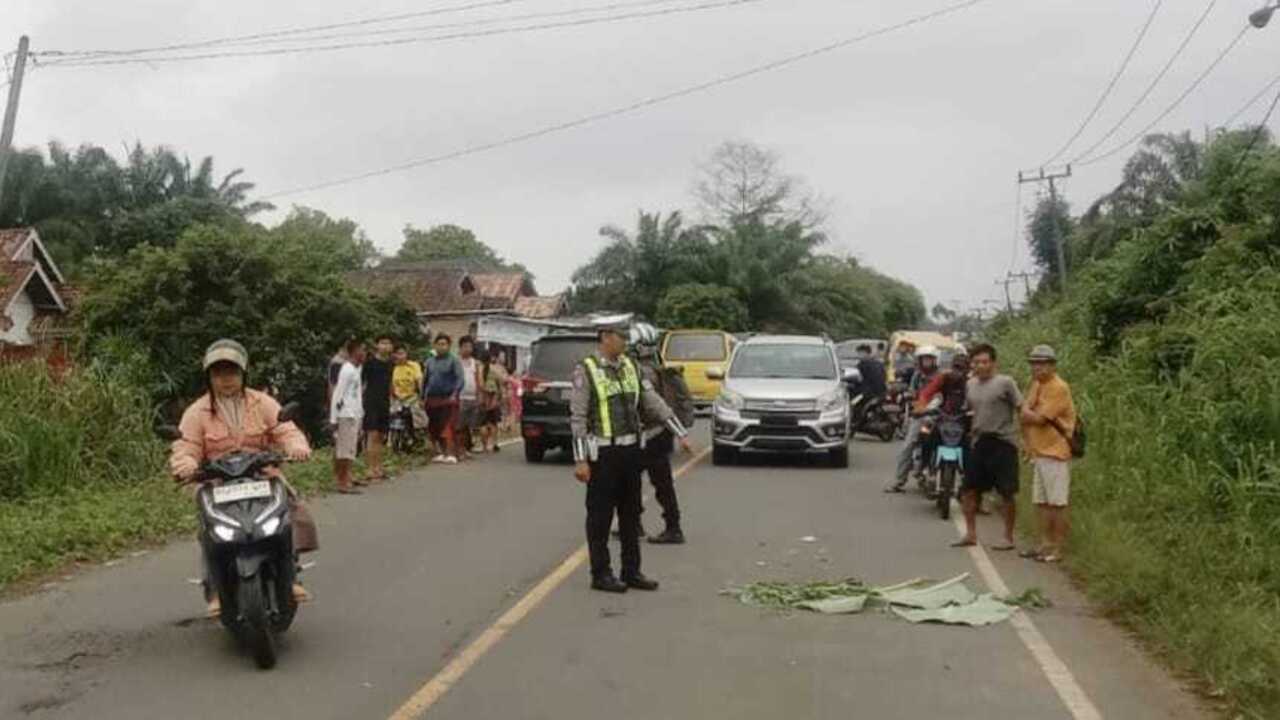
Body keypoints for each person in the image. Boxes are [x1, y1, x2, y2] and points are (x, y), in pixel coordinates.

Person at [170, 339, 316, 617]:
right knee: (210, 530)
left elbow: (285, 429)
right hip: (217, 482)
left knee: (290, 513)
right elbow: (185, 446)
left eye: (232, 372)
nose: (226, 380)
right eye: (218, 373)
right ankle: (214, 589)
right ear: (209, 377)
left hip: (261, 474)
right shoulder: (196, 412)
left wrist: (296, 447)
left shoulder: (262, 402)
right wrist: (186, 464)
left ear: (243, 374)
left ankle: (291, 575)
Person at [570, 326, 690, 593]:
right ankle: (601, 573)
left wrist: (680, 432)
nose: (625, 343)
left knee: (630, 512)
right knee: (600, 516)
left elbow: (653, 402)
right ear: (605, 338)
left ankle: (631, 570)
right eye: (621, 337)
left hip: (631, 451)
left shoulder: (631, 367)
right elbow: (578, 416)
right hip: (602, 453)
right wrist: (580, 460)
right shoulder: (586, 370)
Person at [952, 343, 1023, 551]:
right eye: (976, 362)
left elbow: (1021, 408)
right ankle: (971, 534)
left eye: (984, 362)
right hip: (979, 442)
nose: (980, 366)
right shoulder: (971, 384)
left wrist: (1026, 437)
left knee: (1006, 493)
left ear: (993, 363)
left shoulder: (1005, 383)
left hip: (1003, 443)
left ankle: (1008, 537)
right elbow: (971, 410)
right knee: (968, 490)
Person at [630, 324, 696, 544]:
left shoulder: (641, 371)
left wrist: (679, 432)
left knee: (647, 482)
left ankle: (671, 527)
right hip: (658, 433)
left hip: (652, 433)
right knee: (655, 482)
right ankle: (640, 523)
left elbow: (654, 406)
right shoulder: (657, 367)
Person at [1019, 345, 1076, 563]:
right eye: (1034, 363)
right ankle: (1044, 544)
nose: (1037, 368)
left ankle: (1057, 548)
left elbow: (1038, 418)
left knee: (1057, 503)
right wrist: (1027, 413)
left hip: (1056, 451)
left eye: (1042, 363)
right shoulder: (1037, 385)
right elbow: (1025, 412)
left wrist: (1027, 412)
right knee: (1041, 502)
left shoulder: (1058, 387)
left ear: (1052, 365)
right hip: (1039, 450)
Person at [886, 345, 942, 492]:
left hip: (939, 416)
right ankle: (899, 481)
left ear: (935, 360)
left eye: (929, 359)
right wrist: (908, 397)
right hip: (921, 415)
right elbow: (912, 392)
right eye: (924, 359)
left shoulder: (942, 377)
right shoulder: (917, 376)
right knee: (908, 444)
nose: (927, 362)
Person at [330, 338, 367, 494]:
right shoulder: (346, 369)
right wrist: (333, 417)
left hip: (354, 413)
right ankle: (342, 482)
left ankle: (348, 476)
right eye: (362, 350)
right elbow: (338, 393)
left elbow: (356, 395)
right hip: (345, 414)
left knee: (351, 449)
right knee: (344, 450)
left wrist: (360, 412)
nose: (364, 353)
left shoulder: (356, 369)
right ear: (354, 351)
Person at [423, 333, 465, 464]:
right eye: (439, 344)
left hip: (448, 397)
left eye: (444, 344)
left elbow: (460, 379)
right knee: (435, 426)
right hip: (432, 398)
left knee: (448, 426)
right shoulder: (430, 362)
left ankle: (451, 453)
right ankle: (441, 452)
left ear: (449, 346)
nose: (441, 347)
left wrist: (455, 393)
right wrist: (422, 396)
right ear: (434, 346)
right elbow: (425, 380)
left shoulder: (454, 360)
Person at [361, 336, 395, 482]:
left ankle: (378, 467)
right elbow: (362, 383)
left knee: (381, 436)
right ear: (377, 345)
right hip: (371, 402)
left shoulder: (390, 364)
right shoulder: (369, 363)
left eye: (388, 343)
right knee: (372, 435)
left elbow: (390, 384)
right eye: (382, 343)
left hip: (384, 402)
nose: (386, 346)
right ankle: (370, 468)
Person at [391, 344, 428, 443]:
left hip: (412, 397)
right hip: (398, 399)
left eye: (402, 353)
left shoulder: (413, 366)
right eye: (397, 354)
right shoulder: (393, 368)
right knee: (394, 420)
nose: (400, 356)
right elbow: (391, 385)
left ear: (406, 354)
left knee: (420, 420)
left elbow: (419, 381)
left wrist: (422, 397)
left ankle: (420, 439)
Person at [455, 336, 481, 460]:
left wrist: (479, 395)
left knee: (467, 427)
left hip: (472, 398)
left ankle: (465, 449)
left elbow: (478, 379)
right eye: (465, 346)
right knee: (458, 426)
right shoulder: (456, 362)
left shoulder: (475, 362)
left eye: (470, 346)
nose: (467, 349)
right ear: (460, 348)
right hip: (459, 397)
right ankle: (458, 450)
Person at [476, 349, 504, 453]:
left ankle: (484, 446)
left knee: (483, 424)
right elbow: (501, 382)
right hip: (494, 399)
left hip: (483, 399)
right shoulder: (495, 369)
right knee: (493, 423)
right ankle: (493, 444)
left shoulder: (480, 369)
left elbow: (480, 385)